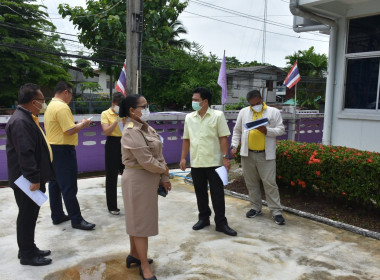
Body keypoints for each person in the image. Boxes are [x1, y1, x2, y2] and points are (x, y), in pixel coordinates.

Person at [119, 94, 171, 280]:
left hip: (149, 178)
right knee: (140, 223)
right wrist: (164, 171)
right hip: (137, 180)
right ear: (132, 111)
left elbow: (159, 153)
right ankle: (143, 266)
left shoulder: (146, 127)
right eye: (144, 106)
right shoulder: (131, 130)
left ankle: (134, 254)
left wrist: (164, 176)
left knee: (138, 220)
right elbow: (147, 160)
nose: (147, 109)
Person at [6, 83, 54, 266]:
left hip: (30, 178)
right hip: (26, 180)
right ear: (34, 102)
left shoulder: (27, 117)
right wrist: (34, 178)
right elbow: (25, 153)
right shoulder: (21, 121)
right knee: (26, 216)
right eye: (42, 101)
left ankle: (29, 247)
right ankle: (27, 255)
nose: (44, 104)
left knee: (30, 215)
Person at [180, 87, 237, 237]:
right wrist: (182, 158)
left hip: (215, 162)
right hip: (197, 162)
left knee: (217, 194)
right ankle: (204, 218)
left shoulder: (218, 116)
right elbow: (186, 139)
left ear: (205, 101)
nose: (193, 102)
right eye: (193, 99)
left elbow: (223, 137)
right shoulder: (189, 118)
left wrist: (226, 158)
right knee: (200, 193)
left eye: (196, 100)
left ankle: (221, 223)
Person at [44, 81, 95, 230]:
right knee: (68, 186)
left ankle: (57, 215)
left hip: (53, 149)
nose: (71, 98)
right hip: (63, 150)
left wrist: (76, 124)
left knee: (55, 184)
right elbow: (69, 131)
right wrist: (84, 124)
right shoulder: (62, 107)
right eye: (71, 94)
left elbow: (65, 127)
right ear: (66, 92)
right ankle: (76, 219)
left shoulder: (51, 106)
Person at [231, 90, 286, 225]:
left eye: (257, 103)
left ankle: (276, 211)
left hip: (265, 155)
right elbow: (237, 130)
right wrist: (234, 145)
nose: (255, 106)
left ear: (261, 99)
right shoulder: (244, 112)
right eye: (252, 104)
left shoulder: (273, 112)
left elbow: (281, 129)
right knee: (251, 183)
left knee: (269, 183)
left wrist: (267, 131)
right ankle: (256, 207)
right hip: (248, 154)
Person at [101, 92, 125, 215]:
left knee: (128, 174)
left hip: (125, 143)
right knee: (111, 176)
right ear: (113, 103)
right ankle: (112, 206)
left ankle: (131, 202)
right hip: (112, 143)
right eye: (117, 105)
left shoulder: (125, 113)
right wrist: (116, 121)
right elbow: (107, 131)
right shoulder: (105, 114)